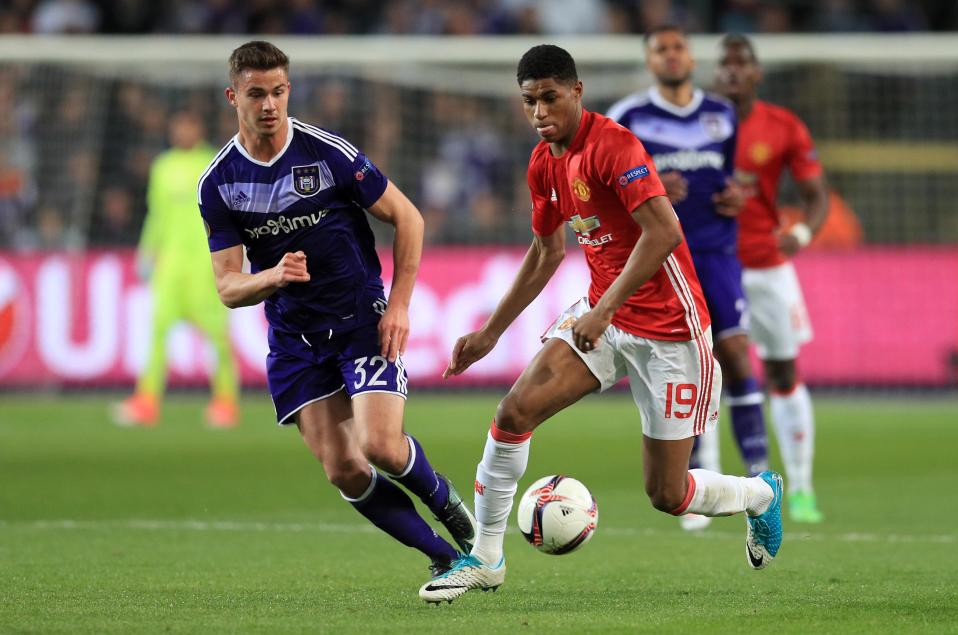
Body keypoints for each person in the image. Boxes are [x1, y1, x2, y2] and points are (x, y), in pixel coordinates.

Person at [419, 44, 783, 605]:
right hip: (603, 318)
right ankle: (486, 558)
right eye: (528, 101)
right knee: (514, 413)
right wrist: (490, 333)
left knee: (668, 493)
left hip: (670, 328)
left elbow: (664, 233)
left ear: (576, 92)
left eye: (549, 98)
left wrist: (605, 308)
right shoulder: (543, 163)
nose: (539, 111)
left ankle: (758, 495)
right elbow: (545, 252)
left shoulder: (613, 145)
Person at [197, 41, 476, 578]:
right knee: (345, 469)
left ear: (288, 91)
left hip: (360, 320)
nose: (269, 105)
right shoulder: (219, 183)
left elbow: (409, 218)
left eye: (278, 92)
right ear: (233, 97)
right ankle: (443, 558)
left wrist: (398, 306)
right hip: (295, 340)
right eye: (256, 94)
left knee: (380, 446)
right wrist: (274, 276)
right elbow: (228, 287)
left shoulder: (327, 154)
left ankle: (452, 511)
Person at [607, 25, 770, 531]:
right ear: (649, 60)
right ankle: (697, 473)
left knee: (737, 352)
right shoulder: (628, 117)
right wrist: (651, 185)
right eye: (661, 49)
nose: (672, 56)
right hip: (664, 255)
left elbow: (731, 177)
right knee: (681, 361)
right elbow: (609, 183)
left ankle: (762, 473)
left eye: (678, 47)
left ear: (690, 56)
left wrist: (737, 198)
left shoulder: (721, 113)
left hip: (717, 250)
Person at [716, 33, 829, 522]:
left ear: (756, 73)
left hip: (767, 266)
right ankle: (706, 491)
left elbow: (815, 195)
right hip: (715, 264)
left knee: (782, 371)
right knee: (712, 373)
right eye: (726, 64)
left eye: (742, 64)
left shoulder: (783, 127)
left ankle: (801, 486)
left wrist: (802, 231)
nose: (733, 72)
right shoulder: (699, 127)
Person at [113, 111, 240, 428]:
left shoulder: (216, 162)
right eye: (177, 126)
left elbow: (233, 212)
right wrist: (146, 254)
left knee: (217, 336)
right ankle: (146, 402)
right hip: (169, 267)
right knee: (157, 332)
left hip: (204, 266)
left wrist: (239, 253)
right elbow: (156, 215)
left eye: (189, 125)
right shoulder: (162, 166)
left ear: (198, 128)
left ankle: (225, 403)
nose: (182, 131)